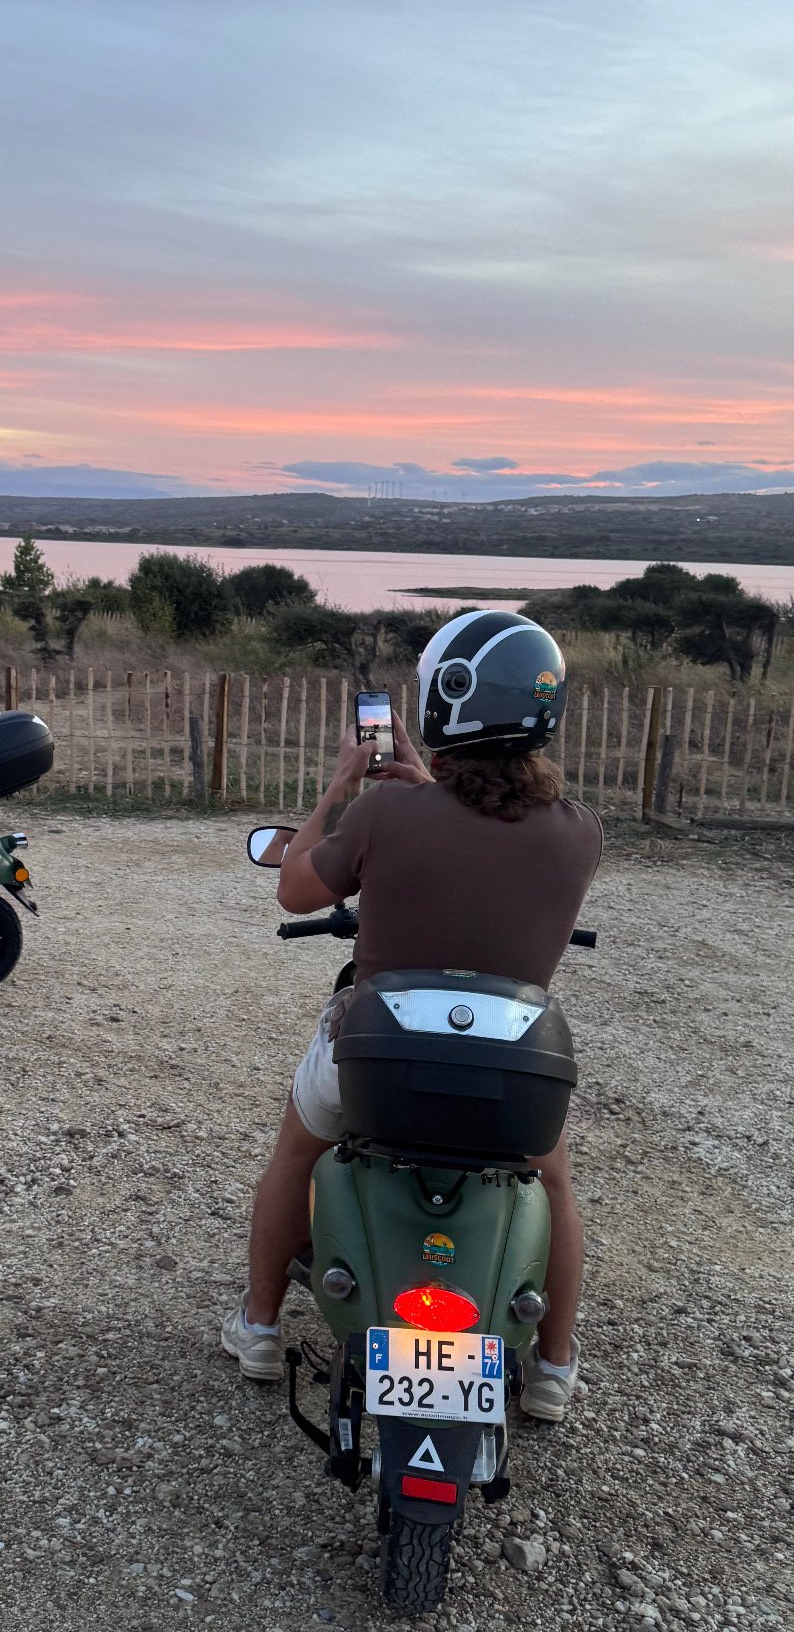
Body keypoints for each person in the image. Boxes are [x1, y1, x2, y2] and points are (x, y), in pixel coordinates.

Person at [222, 610, 602, 1423]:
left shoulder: (384, 815)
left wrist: (340, 785)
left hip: (379, 1058)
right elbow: (481, 837)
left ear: (443, 705)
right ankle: (554, 1368)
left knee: (298, 1148)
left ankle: (257, 1324)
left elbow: (294, 890)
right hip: (510, 1068)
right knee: (558, 1183)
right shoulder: (578, 833)